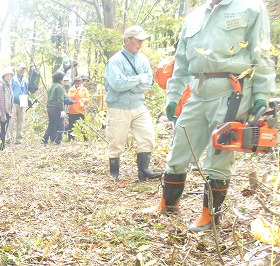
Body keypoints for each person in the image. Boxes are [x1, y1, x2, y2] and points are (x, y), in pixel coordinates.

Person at [145, 0, 276, 232]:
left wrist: (262, 94)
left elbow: (261, 53)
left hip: (232, 89)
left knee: (220, 152)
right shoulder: (194, 16)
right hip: (197, 89)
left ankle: (210, 215)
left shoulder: (250, 8)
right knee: (180, 146)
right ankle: (168, 204)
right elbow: (181, 62)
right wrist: (173, 96)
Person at [104, 25, 161, 181]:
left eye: (142, 40)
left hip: (138, 105)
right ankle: (114, 173)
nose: (141, 43)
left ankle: (144, 171)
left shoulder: (143, 59)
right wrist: (137, 80)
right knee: (116, 141)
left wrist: (130, 84)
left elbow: (148, 82)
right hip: (119, 107)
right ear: (127, 40)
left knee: (147, 136)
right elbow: (117, 84)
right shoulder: (115, 61)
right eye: (138, 40)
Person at [7, 63, 29, 145]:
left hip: (23, 102)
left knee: (21, 121)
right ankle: (8, 138)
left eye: (23, 69)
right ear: (17, 69)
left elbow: (27, 90)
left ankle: (18, 139)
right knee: (10, 121)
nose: (22, 71)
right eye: (21, 69)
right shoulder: (13, 78)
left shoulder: (26, 80)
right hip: (13, 102)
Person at [42, 71, 66, 145]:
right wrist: (62, 110)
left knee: (51, 124)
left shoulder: (52, 86)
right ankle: (58, 141)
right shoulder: (59, 87)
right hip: (56, 108)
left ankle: (44, 139)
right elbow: (60, 99)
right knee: (60, 124)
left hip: (50, 107)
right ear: (60, 80)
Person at [67, 76, 90, 141]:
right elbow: (70, 98)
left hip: (81, 110)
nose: (78, 85)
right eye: (77, 83)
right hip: (72, 111)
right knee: (71, 125)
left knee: (82, 124)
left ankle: (85, 138)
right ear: (74, 83)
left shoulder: (84, 90)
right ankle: (71, 138)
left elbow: (88, 98)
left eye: (79, 83)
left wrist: (84, 100)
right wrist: (76, 91)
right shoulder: (72, 90)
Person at [0, 67, 14, 150]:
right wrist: (2, 114)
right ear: (4, 76)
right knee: (3, 130)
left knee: (5, 130)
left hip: (8, 111)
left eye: (10, 75)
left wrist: (11, 110)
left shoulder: (8, 85)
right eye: (7, 75)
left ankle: (2, 146)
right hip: (3, 112)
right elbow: (1, 101)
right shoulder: (1, 86)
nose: (9, 77)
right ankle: (1, 147)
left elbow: (10, 98)